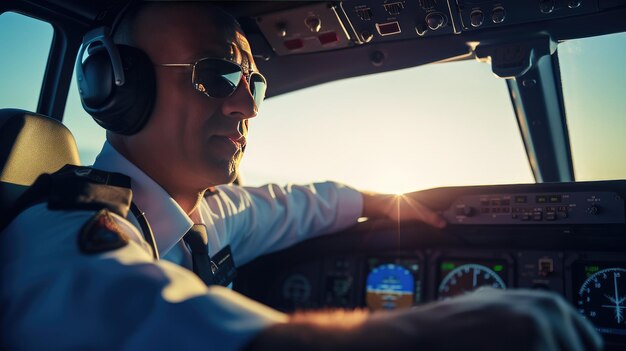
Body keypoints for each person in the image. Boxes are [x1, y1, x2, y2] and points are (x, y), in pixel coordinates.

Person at [0, 2, 602, 351]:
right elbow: (135, 319)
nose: (250, 106)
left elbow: (290, 204)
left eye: (252, 81)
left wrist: (380, 201)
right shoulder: (64, 228)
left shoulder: (202, 215)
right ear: (118, 89)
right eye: (217, 74)